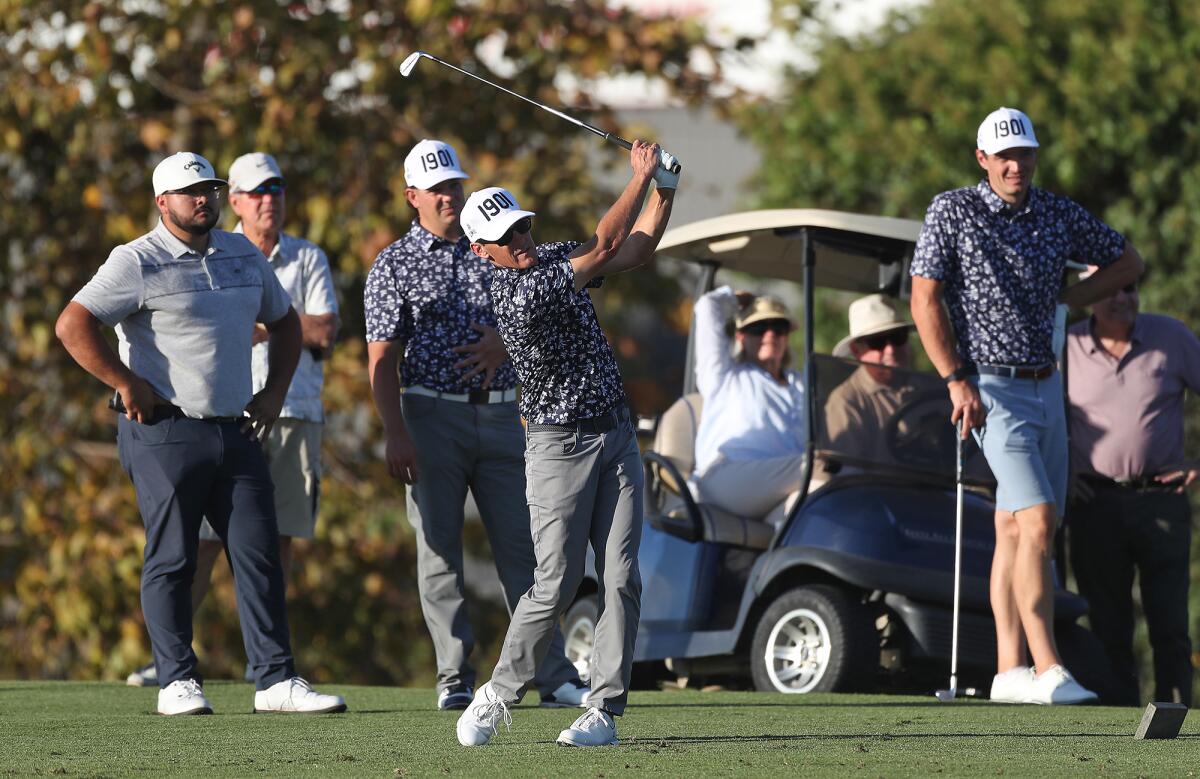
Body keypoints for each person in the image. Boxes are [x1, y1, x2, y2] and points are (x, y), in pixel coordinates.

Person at [55, 151, 345, 715]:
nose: (204, 199)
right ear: (163, 202)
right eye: (192, 192)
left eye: (211, 189)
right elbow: (73, 324)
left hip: (236, 428)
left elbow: (285, 323)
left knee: (258, 551)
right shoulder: (135, 260)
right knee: (174, 556)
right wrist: (125, 381)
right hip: (164, 431)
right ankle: (176, 681)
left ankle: (275, 680)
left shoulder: (241, 253)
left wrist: (276, 392)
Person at [910, 106, 1144, 705]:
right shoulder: (953, 210)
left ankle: (1008, 671)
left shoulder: (1058, 213)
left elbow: (1128, 261)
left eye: (1026, 154)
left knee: (1016, 528)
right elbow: (925, 300)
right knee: (1038, 521)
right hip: (988, 390)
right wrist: (954, 378)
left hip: (1046, 387)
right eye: (1005, 155)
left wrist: (1069, 296)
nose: (1017, 165)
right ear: (983, 159)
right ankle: (1048, 668)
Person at [454, 140, 678, 748]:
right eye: (506, 235)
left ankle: (602, 709)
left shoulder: (547, 258)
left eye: (523, 225)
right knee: (553, 581)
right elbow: (606, 242)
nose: (521, 238)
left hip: (615, 434)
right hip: (557, 447)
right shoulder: (519, 294)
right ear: (483, 250)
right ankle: (499, 692)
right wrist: (640, 176)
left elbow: (634, 248)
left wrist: (665, 191)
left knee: (622, 575)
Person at [364, 140, 587, 711]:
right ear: (411, 196)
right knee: (440, 549)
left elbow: (542, 305)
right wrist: (395, 431)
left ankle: (552, 673)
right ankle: (453, 676)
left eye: (454, 185)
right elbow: (382, 359)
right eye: (436, 188)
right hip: (430, 413)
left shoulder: (495, 244)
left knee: (527, 550)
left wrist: (502, 343)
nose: (448, 196)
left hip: (502, 412)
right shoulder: (393, 264)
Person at [1065, 277, 1200, 706]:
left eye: (1129, 287)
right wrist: (1063, 471)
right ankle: (1118, 723)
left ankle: (1176, 718)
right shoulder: (1063, 346)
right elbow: (1042, 418)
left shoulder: (1171, 336)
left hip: (1160, 501)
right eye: (1110, 288)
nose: (1122, 297)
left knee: (1170, 623)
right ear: (1087, 297)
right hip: (1094, 504)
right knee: (1107, 624)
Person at [688, 288, 805, 518]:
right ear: (741, 336)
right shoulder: (724, 376)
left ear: (787, 336)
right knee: (821, 467)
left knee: (810, 505)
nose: (770, 335)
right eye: (759, 329)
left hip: (784, 486)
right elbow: (707, 306)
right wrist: (738, 299)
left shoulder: (801, 383)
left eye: (778, 328)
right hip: (727, 476)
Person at [824, 294, 916, 462]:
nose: (890, 350)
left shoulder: (928, 387)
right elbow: (850, 472)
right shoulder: (846, 401)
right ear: (857, 350)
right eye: (877, 342)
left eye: (898, 337)